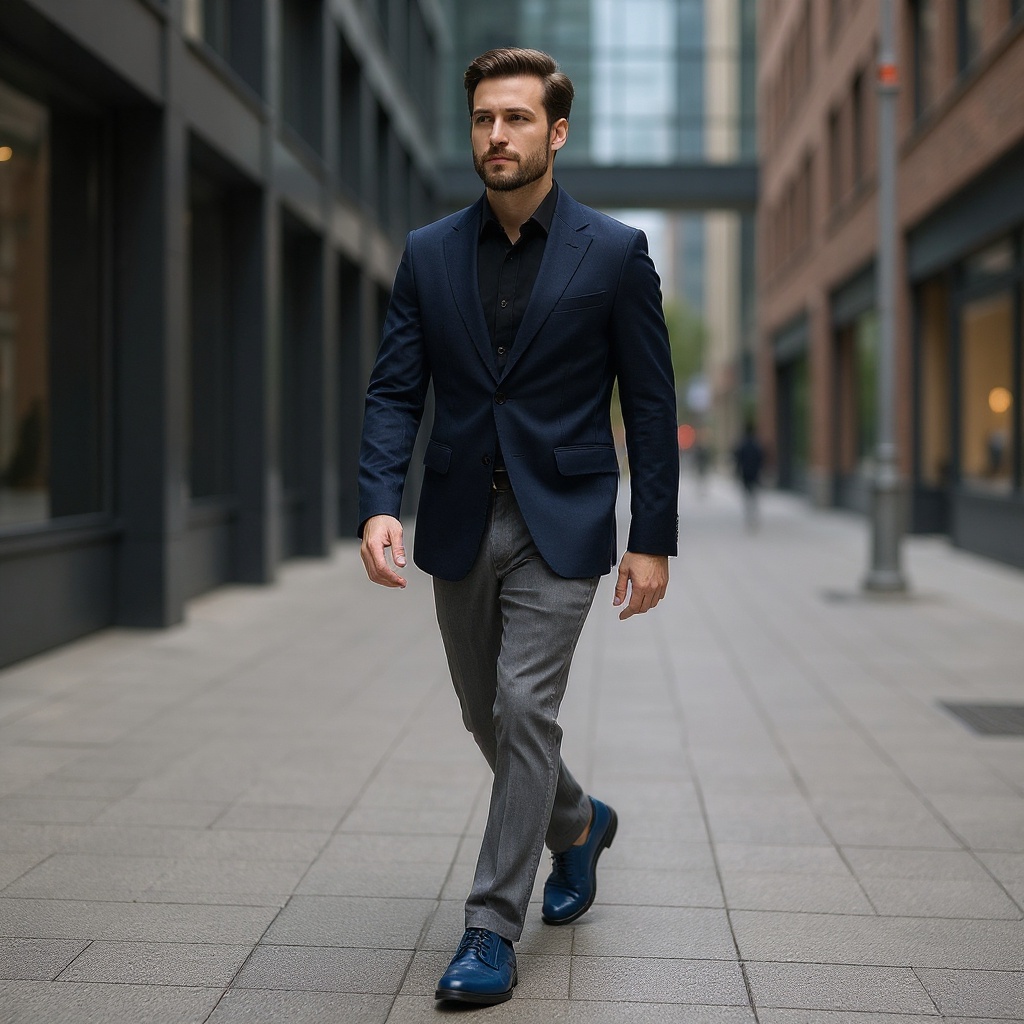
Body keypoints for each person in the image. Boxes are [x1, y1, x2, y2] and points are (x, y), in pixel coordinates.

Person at [358, 47, 679, 1006]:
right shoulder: (428, 253)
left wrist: (652, 536)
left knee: (525, 707)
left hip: (564, 517)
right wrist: (380, 499)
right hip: (458, 513)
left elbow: (652, 406)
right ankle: (579, 823)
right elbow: (393, 390)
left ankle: (490, 929)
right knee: (482, 712)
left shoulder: (614, 253)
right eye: (484, 119)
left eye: (516, 119)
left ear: (557, 130)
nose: (496, 135)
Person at [733, 421, 765, 531]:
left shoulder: (742, 445)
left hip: (745, 474)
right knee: (754, 496)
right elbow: (761, 460)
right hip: (755, 474)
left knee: (747, 497)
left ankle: (749, 517)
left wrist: (737, 473)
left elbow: (737, 460)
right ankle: (754, 517)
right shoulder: (757, 445)